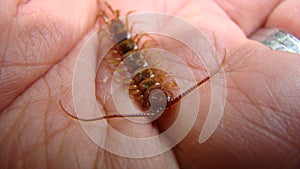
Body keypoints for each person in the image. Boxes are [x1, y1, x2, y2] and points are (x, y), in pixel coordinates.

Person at [0, 0, 299, 168]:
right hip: (124, 41)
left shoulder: (147, 81)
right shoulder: (141, 73)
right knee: (126, 44)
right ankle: (109, 18)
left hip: (128, 48)